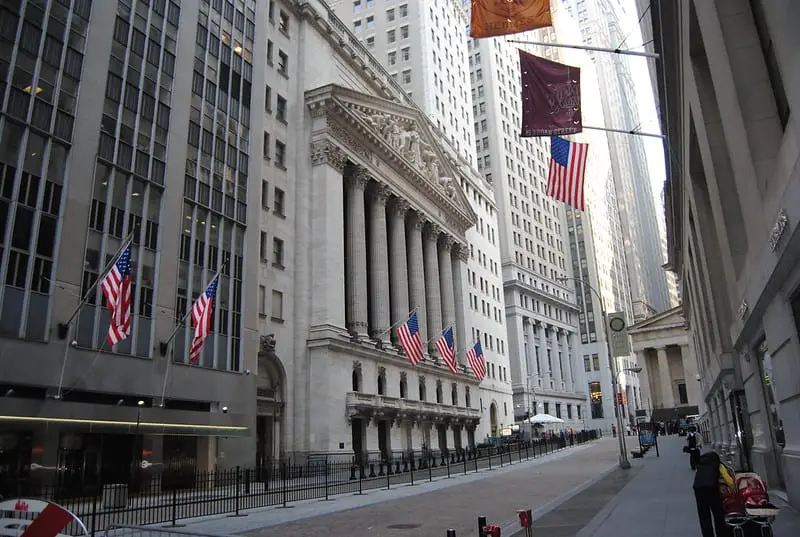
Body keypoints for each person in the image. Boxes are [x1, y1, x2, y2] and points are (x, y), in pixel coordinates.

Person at [693, 451, 734, 537]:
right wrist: (734, 490)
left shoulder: (701, 465)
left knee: (704, 517)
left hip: (698, 489)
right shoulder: (718, 465)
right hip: (712, 490)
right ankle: (721, 534)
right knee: (718, 515)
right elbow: (729, 481)